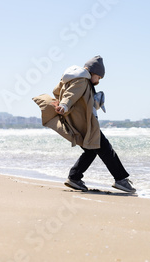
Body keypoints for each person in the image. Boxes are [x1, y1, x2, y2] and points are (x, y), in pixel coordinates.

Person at [32, 55, 136, 193]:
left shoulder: (73, 79)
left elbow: (59, 91)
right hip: (85, 124)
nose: (98, 81)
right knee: (106, 149)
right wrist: (64, 105)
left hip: (79, 122)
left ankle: (74, 178)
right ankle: (121, 179)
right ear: (92, 72)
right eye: (98, 77)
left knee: (91, 150)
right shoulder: (81, 80)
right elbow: (71, 94)